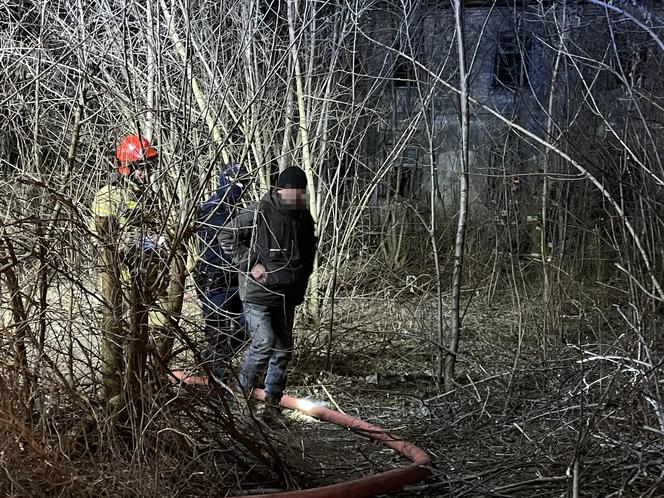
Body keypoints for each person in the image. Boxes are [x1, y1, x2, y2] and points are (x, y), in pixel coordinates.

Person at [220, 166, 316, 423]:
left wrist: (302, 280)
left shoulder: (304, 217)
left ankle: (273, 407)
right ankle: (241, 402)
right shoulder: (259, 211)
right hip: (258, 293)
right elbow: (226, 235)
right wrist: (251, 264)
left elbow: (308, 253)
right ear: (281, 190)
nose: (296, 197)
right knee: (263, 343)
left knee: (283, 350)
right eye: (292, 192)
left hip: (288, 294)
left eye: (300, 193)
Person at [92, 134, 171, 407]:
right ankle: (112, 394)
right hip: (119, 280)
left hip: (146, 278)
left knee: (148, 334)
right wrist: (148, 240)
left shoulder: (147, 195)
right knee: (115, 333)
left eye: (150, 167)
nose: (147, 174)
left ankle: (142, 388)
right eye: (142, 168)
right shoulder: (110, 195)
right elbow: (107, 238)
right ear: (126, 167)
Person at [194, 163, 249, 384]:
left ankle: (214, 362)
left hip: (235, 283)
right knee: (217, 335)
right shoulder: (211, 209)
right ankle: (216, 382)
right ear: (227, 181)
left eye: (245, 183)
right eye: (239, 182)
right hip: (214, 283)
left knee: (249, 327)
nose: (243, 187)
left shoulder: (237, 209)